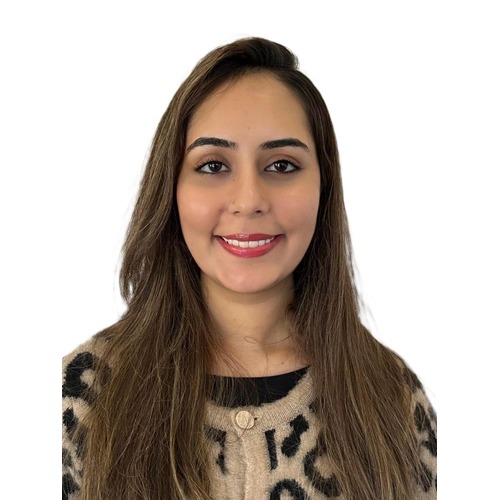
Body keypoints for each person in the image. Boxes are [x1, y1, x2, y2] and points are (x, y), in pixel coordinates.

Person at [62, 37, 437, 500]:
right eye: (212, 165)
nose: (248, 200)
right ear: (171, 188)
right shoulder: (83, 398)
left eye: (281, 165)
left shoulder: (394, 399)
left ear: (323, 186)